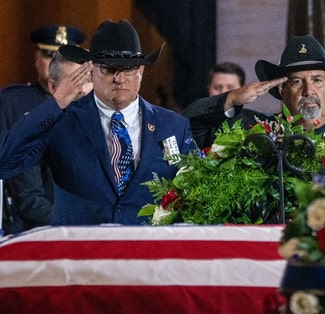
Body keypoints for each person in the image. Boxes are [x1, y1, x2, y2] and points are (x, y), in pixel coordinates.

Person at [0, 19, 202, 225]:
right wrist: (56, 103)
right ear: (91, 71)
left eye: (128, 69)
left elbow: (200, 192)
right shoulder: (61, 120)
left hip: (148, 252)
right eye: (109, 69)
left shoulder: (174, 126)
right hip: (80, 251)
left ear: (141, 71)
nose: (119, 79)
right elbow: (4, 162)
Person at [183, 35, 325, 149]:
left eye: (317, 80)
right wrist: (232, 98)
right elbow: (186, 129)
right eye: (297, 81)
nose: (308, 90)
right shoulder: (253, 132)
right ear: (282, 90)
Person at [0, 24, 86, 233]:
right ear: (37, 57)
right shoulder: (12, 100)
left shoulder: (95, 110)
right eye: (50, 56)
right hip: (32, 226)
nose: (57, 62)